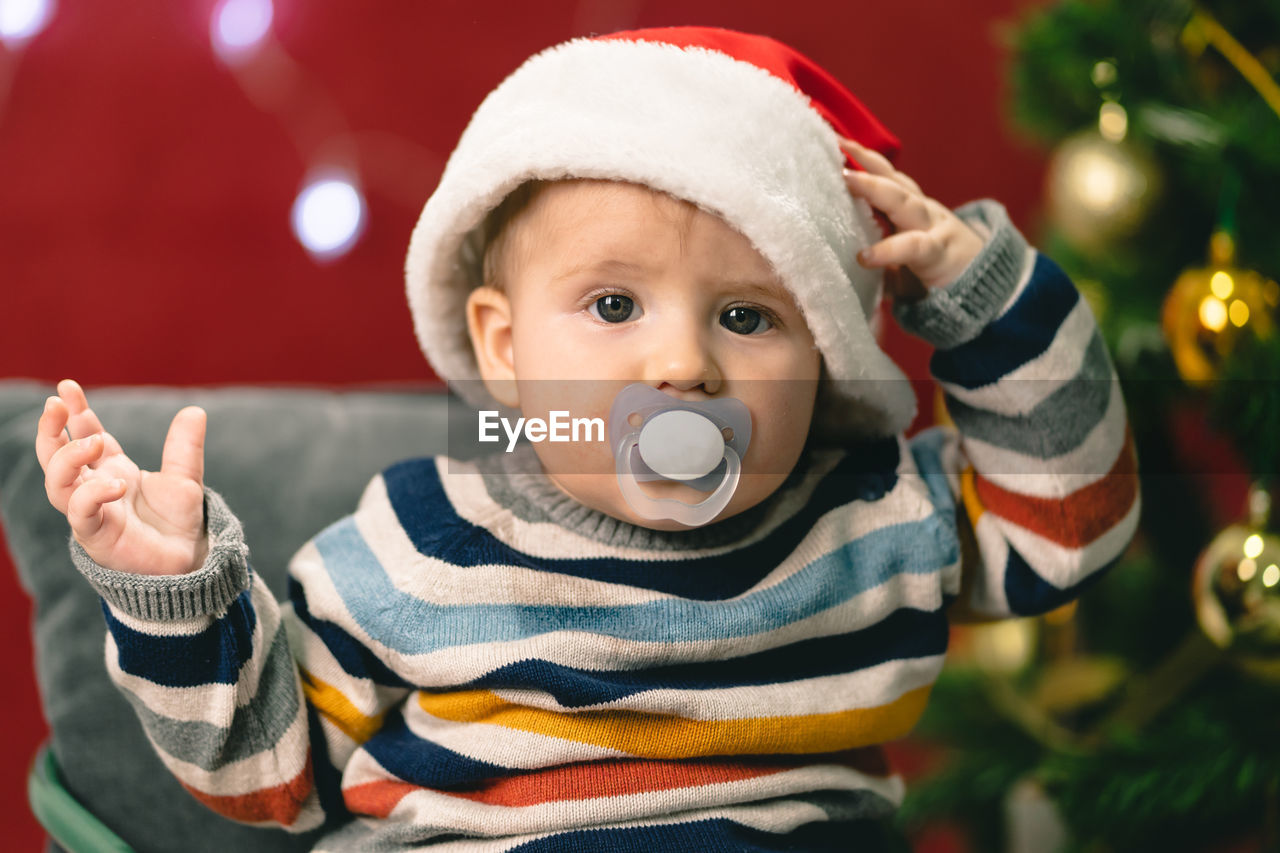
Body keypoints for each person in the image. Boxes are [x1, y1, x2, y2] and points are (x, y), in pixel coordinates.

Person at [34, 27, 1139, 852]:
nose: (680, 367)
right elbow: (270, 780)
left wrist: (981, 296)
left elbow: (1066, 521)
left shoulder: (868, 514)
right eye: (613, 306)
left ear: (825, 357)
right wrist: (174, 591)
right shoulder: (419, 545)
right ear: (504, 346)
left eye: (745, 317)